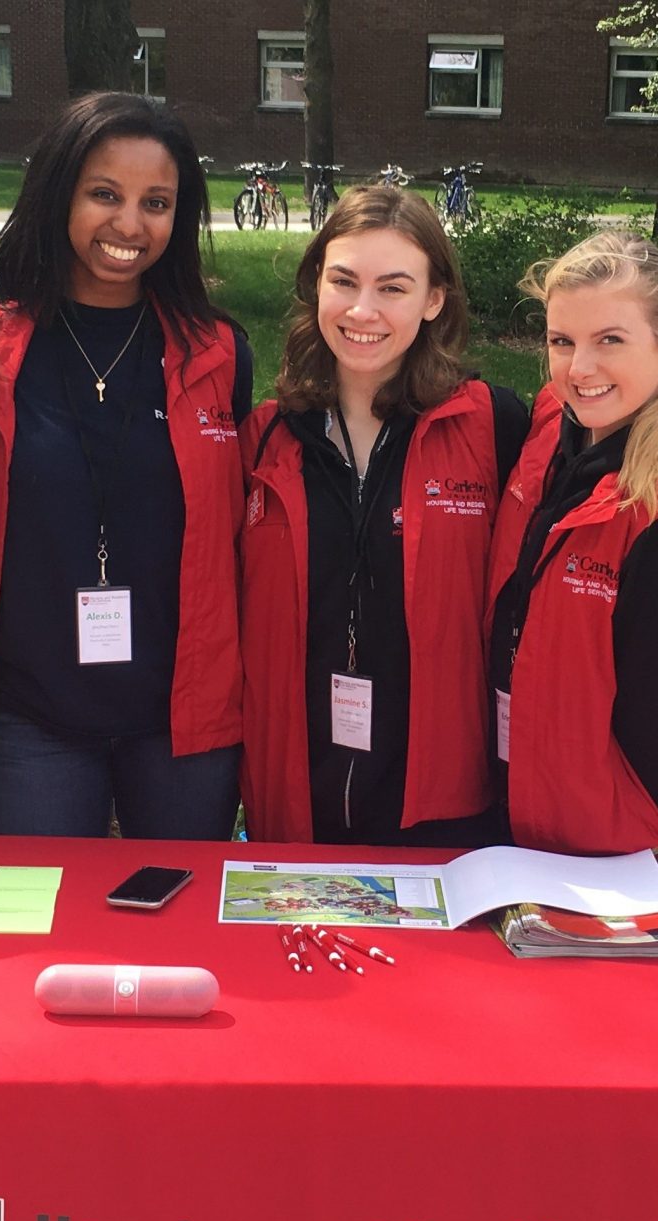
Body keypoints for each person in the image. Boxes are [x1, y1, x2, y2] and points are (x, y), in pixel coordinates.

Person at [0, 93, 252, 839]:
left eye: (157, 203)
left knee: (180, 928)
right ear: (60, 196)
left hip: (179, 718)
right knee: (39, 932)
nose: (130, 225)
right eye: (104, 195)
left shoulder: (217, 354)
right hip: (34, 714)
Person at [237, 187, 530, 846]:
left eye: (394, 288)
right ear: (316, 286)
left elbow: (605, 471)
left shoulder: (493, 427)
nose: (363, 310)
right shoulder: (264, 440)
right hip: (297, 799)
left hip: (441, 802)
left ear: (434, 301)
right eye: (344, 281)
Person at [487, 230, 658, 858]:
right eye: (562, 342)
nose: (579, 369)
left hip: (602, 837)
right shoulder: (553, 427)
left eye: (609, 340)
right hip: (511, 799)